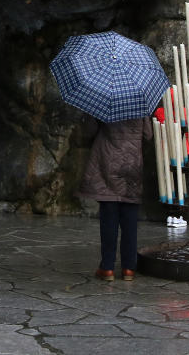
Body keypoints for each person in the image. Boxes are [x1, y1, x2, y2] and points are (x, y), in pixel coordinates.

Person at [78, 116, 151, 281]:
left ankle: (107, 267)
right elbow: (148, 135)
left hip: (107, 163)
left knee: (109, 219)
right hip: (132, 166)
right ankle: (129, 268)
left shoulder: (102, 103)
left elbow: (87, 132)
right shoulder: (140, 102)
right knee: (130, 221)